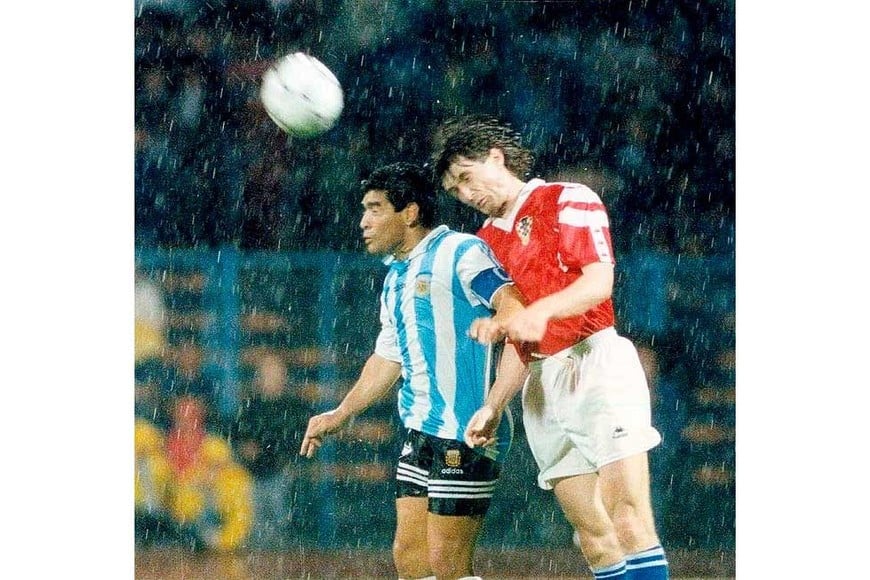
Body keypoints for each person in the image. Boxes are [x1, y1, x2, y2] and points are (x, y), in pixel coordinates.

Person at [430, 116, 669, 580]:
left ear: (495, 157)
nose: (466, 193)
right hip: (541, 384)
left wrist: (540, 313)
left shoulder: (567, 198)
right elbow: (518, 338)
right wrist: (494, 405)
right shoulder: (485, 243)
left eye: (466, 177)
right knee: (594, 537)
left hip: (593, 361)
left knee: (627, 518)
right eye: (455, 190)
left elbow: (598, 283)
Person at [299, 162, 528, 580]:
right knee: (410, 558)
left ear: (410, 213)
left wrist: (498, 338)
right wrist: (341, 413)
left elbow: (511, 303)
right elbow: (387, 359)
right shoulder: (395, 278)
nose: (363, 222)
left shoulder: (461, 251)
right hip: (421, 430)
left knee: (449, 564)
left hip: (468, 428)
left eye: (375, 209)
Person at [232, 351, 311, 549]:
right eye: (266, 372)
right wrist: (245, 449)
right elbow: (238, 437)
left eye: (275, 372)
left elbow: (296, 443)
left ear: (284, 376)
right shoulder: (250, 406)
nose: (270, 377)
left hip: (280, 471)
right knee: (252, 518)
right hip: (251, 471)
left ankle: (277, 547)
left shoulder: (294, 407)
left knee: (277, 514)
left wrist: (270, 451)